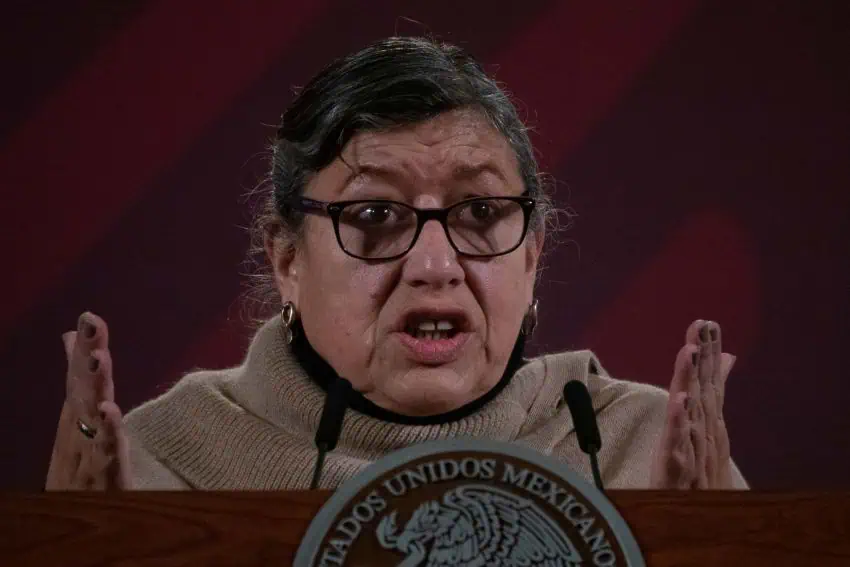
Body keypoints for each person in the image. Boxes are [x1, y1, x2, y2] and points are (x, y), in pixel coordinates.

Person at [46, 36, 747, 491]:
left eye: (479, 214)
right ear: (287, 258)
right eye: (376, 216)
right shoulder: (155, 466)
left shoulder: (642, 452)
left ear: (533, 255)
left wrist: (713, 551)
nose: (434, 264)